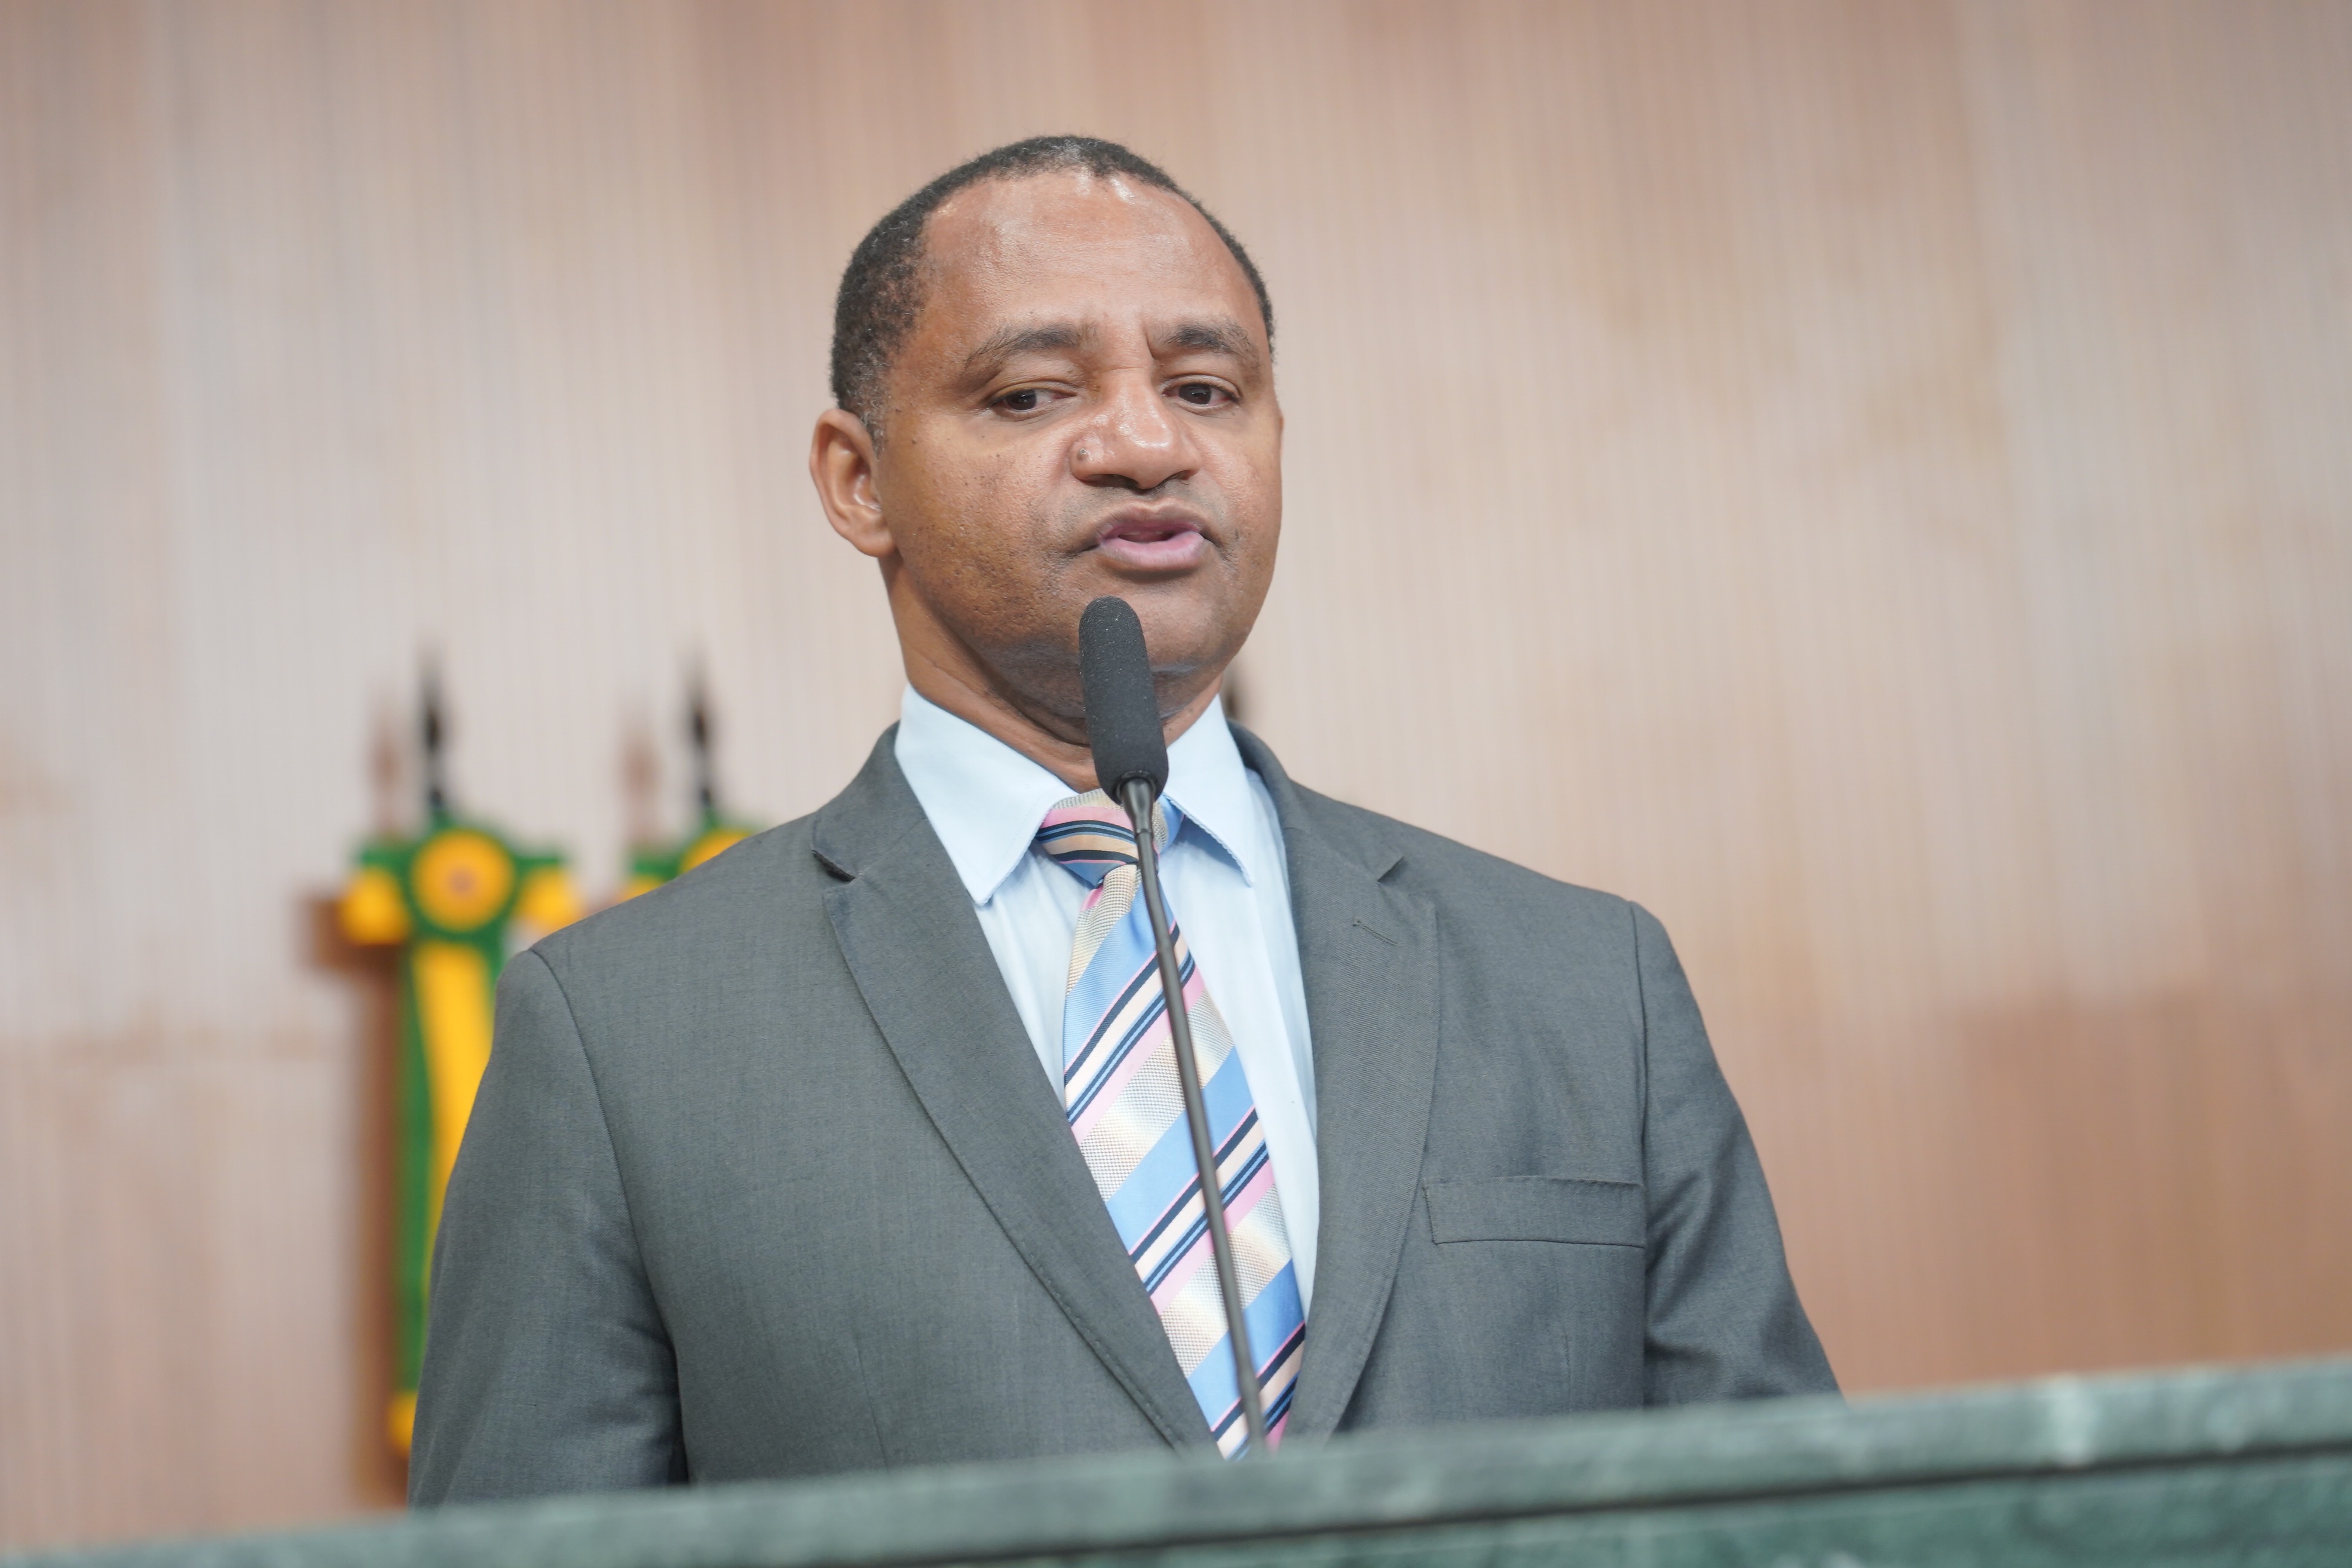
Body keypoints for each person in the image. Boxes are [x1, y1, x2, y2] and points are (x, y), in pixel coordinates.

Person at [409, 135, 1834, 1503]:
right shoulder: (623, 1037)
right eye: (1033, 394)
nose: (1149, 445)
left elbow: (1790, 1526)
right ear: (858, 479)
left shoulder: (1586, 983)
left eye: (1207, 388)